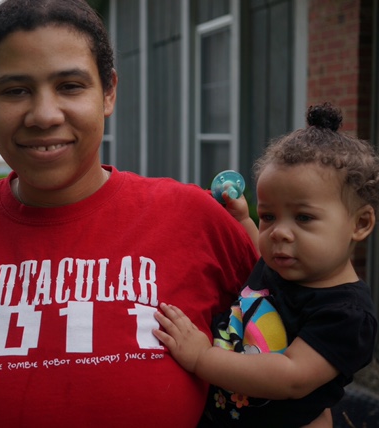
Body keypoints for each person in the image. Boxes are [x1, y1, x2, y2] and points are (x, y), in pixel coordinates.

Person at [0, 0, 258, 426]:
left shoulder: (191, 219)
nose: (44, 115)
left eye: (70, 86)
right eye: (15, 90)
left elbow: (296, 332)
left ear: (108, 92)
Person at [153, 103, 379, 427]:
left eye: (303, 217)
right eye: (269, 216)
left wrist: (202, 357)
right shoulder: (283, 265)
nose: (279, 233)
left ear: (360, 223)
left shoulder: (347, 315)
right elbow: (261, 258)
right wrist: (242, 220)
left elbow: (290, 375)